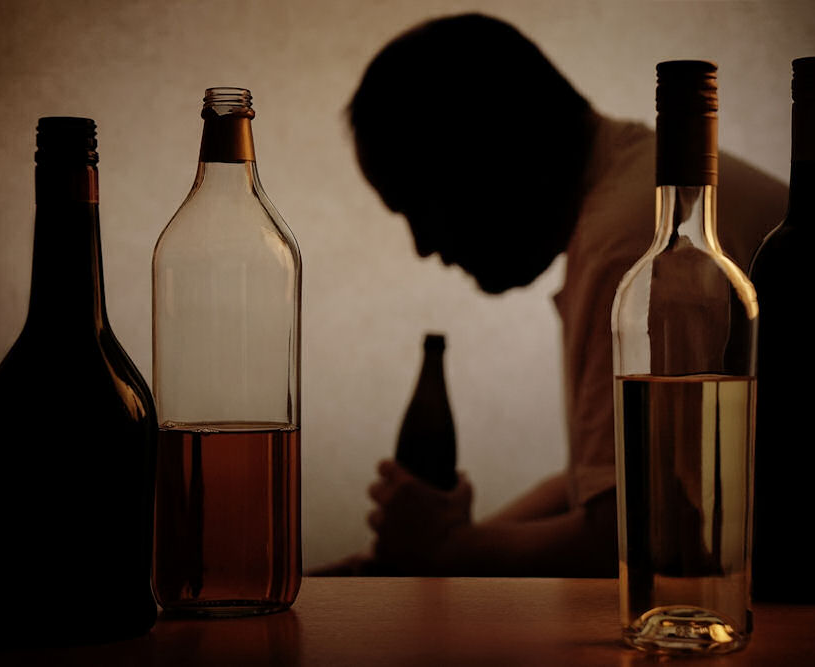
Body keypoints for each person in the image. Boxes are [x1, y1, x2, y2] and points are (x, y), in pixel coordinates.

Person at [338, 13, 789, 577]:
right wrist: (449, 539)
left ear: (486, 152)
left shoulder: (632, 242)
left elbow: (624, 540)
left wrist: (443, 553)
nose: (423, 246)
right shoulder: (633, 191)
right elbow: (612, 487)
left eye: (420, 204)